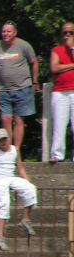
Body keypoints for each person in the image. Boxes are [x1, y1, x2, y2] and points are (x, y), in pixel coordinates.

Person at [0, 128, 37, 252]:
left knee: (30, 189)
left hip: (10, 177)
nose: (3, 142)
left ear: (8, 138)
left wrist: (27, 180)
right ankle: (0, 237)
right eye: (0, 140)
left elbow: (20, 167)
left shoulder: (15, 150)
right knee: (4, 204)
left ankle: (25, 219)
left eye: (4, 139)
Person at [0, 21, 39, 150]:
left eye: (8, 31)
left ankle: (16, 150)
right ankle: (8, 148)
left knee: (18, 120)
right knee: (5, 119)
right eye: (4, 31)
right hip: (3, 89)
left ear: (15, 32)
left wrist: (35, 81)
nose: (6, 34)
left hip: (22, 88)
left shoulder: (24, 45)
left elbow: (34, 63)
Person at [49, 22, 74, 162]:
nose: (67, 35)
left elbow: (60, 67)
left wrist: (72, 49)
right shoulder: (57, 50)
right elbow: (54, 68)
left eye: (71, 33)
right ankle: (57, 155)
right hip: (60, 92)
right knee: (59, 124)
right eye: (65, 33)